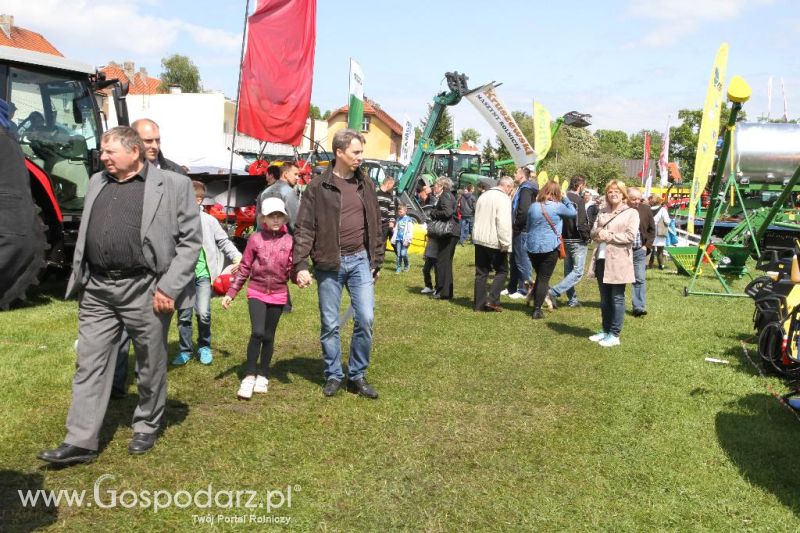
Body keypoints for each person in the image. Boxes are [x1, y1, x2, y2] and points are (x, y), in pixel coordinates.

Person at [38, 126, 201, 465]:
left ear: (134, 152)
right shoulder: (98, 181)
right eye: (102, 150)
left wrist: (168, 286)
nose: (104, 156)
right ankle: (80, 441)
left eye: (110, 151)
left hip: (146, 288)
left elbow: (190, 242)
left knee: (149, 361)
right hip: (97, 287)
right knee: (89, 363)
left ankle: (146, 424)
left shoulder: (174, 184)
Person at [293, 129, 384, 399]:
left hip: (360, 262)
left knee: (366, 317)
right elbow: (304, 227)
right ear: (339, 153)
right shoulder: (318, 187)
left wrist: (376, 260)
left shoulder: (365, 183)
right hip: (329, 264)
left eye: (361, 152)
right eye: (356, 152)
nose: (360, 157)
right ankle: (333, 374)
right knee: (330, 324)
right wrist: (299, 264)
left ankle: (357, 375)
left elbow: (376, 224)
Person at [222, 198, 297, 399]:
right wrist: (231, 293)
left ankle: (263, 373)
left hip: (279, 294)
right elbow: (245, 267)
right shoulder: (255, 239)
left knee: (269, 336)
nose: (275, 219)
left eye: (279, 215)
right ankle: (249, 375)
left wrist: (300, 277)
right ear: (263, 217)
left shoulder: (289, 241)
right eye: (271, 215)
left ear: (284, 218)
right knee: (257, 332)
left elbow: (292, 269)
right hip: (256, 290)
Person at [172, 181, 242, 366]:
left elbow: (223, 241)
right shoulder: (175, 220)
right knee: (184, 316)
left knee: (203, 313)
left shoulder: (209, 221)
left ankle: (204, 346)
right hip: (182, 277)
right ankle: (185, 350)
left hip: (203, 275)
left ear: (198, 200)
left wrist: (238, 257)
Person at [588, 180, 639, 347]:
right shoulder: (602, 211)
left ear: (623, 194)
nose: (613, 194)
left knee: (616, 297)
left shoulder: (631, 213)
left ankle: (615, 334)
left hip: (619, 261)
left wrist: (607, 235)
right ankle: (605, 329)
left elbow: (630, 236)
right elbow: (593, 232)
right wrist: (597, 233)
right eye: (610, 191)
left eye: (617, 191)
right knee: (604, 298)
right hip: (602, 259)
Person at [525, 181, 577, 319]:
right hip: (550, 246)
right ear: (557, 192)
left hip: (532, 246)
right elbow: (573, 212)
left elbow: (528, 226)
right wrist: (566, 198)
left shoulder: (533, 207)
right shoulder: (558, 206)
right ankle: (537, 309)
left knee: (540, 276)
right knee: (543, 278)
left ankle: (533, 299)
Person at [472, 176, 513, 312]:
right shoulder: (503, 198)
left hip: (479, 239)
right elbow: (504, 223)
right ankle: (492, 300)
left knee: (481, 273)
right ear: (507, 186)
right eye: (511, 189)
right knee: (502, 271)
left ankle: (479, 305)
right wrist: (506, 243)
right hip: (494, 241)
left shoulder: (483, 196)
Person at [548, 175, 590, 308]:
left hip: (564, 238)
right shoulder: (579, 200)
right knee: (577, 272)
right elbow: (581, 222)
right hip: (577, 239)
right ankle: (553, 292)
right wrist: (586, 236)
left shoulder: (561, 199)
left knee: (568, 271)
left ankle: (572, 300)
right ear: (581, 185)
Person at [505, 166, 537, 300]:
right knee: (514, 259)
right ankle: (512, 287)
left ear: (522, 175)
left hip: (522, 230)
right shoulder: (522, 188)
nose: (514, 174)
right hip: (518, 230)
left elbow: (524, 211)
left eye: (516, 172)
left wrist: (516, 225)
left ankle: (525, 289)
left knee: (522, 261)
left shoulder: (526, 189)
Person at [428, 176, 460, 300]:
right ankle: (446, 292)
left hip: (448, 233)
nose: (434, 187)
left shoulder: (445, 196)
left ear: (441, 186)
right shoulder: (448, 195)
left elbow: (447, 213)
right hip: (452, 232)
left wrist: (433, 213)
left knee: (442, 262)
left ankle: (443, 292)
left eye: (435, 185)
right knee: (445, 262)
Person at [626, 187, 655, 317]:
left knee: (640, 278)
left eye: (639, 198)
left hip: (639, 250)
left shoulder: (646, 210)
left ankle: (639, 307)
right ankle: (616, 303)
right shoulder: (622, 210)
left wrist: (646, 246)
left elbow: (652, 229)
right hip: (623, 251)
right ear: (627, 198)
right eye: (634, 199)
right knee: (619, 279)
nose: (637, 201)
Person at [259, 162, 300, 232]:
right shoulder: (289, 192)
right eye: (295, 174)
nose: (297, 178)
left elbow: (260, 219)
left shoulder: (265, 192)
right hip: (285, 238)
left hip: (266, 238)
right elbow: (295, 221)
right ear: (285, 174)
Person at [376, 174, 397, 252]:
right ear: (389, 184)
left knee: (382, 242)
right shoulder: (376, 192)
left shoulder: (390, 196)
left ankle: (379, 259)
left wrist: (392, 221)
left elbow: (392, 209)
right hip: (375, 222)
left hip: (385, 223)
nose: (393, 187)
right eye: (393, 185)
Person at [391, 203, 414, 273]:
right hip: (398, 239)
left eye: (401, 212)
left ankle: (406, 265)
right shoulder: (398, 219)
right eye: (398, 212)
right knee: (398, 254)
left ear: (405, 211)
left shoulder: (408, 220)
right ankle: (398, 267)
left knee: (403, 253)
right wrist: (393, 230)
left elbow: (410, 231)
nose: (399, 213)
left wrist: (408, 240)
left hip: (405, 240)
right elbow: (397, 229)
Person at [650, 197, 671, 270]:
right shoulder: (662, 209)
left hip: (650, 230)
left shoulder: (649, 208)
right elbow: (667, 221)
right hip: (660, 230)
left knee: (650, 249)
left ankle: (650, 264)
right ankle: (660, 265)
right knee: (660, 250)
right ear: (659, 202)